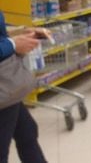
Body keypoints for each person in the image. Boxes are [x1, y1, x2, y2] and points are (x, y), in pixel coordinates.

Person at [0, 11, 48, 163]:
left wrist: (23, 32)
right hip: (3, 90)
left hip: (7, 87)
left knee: (27, 132)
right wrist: (13, 44)